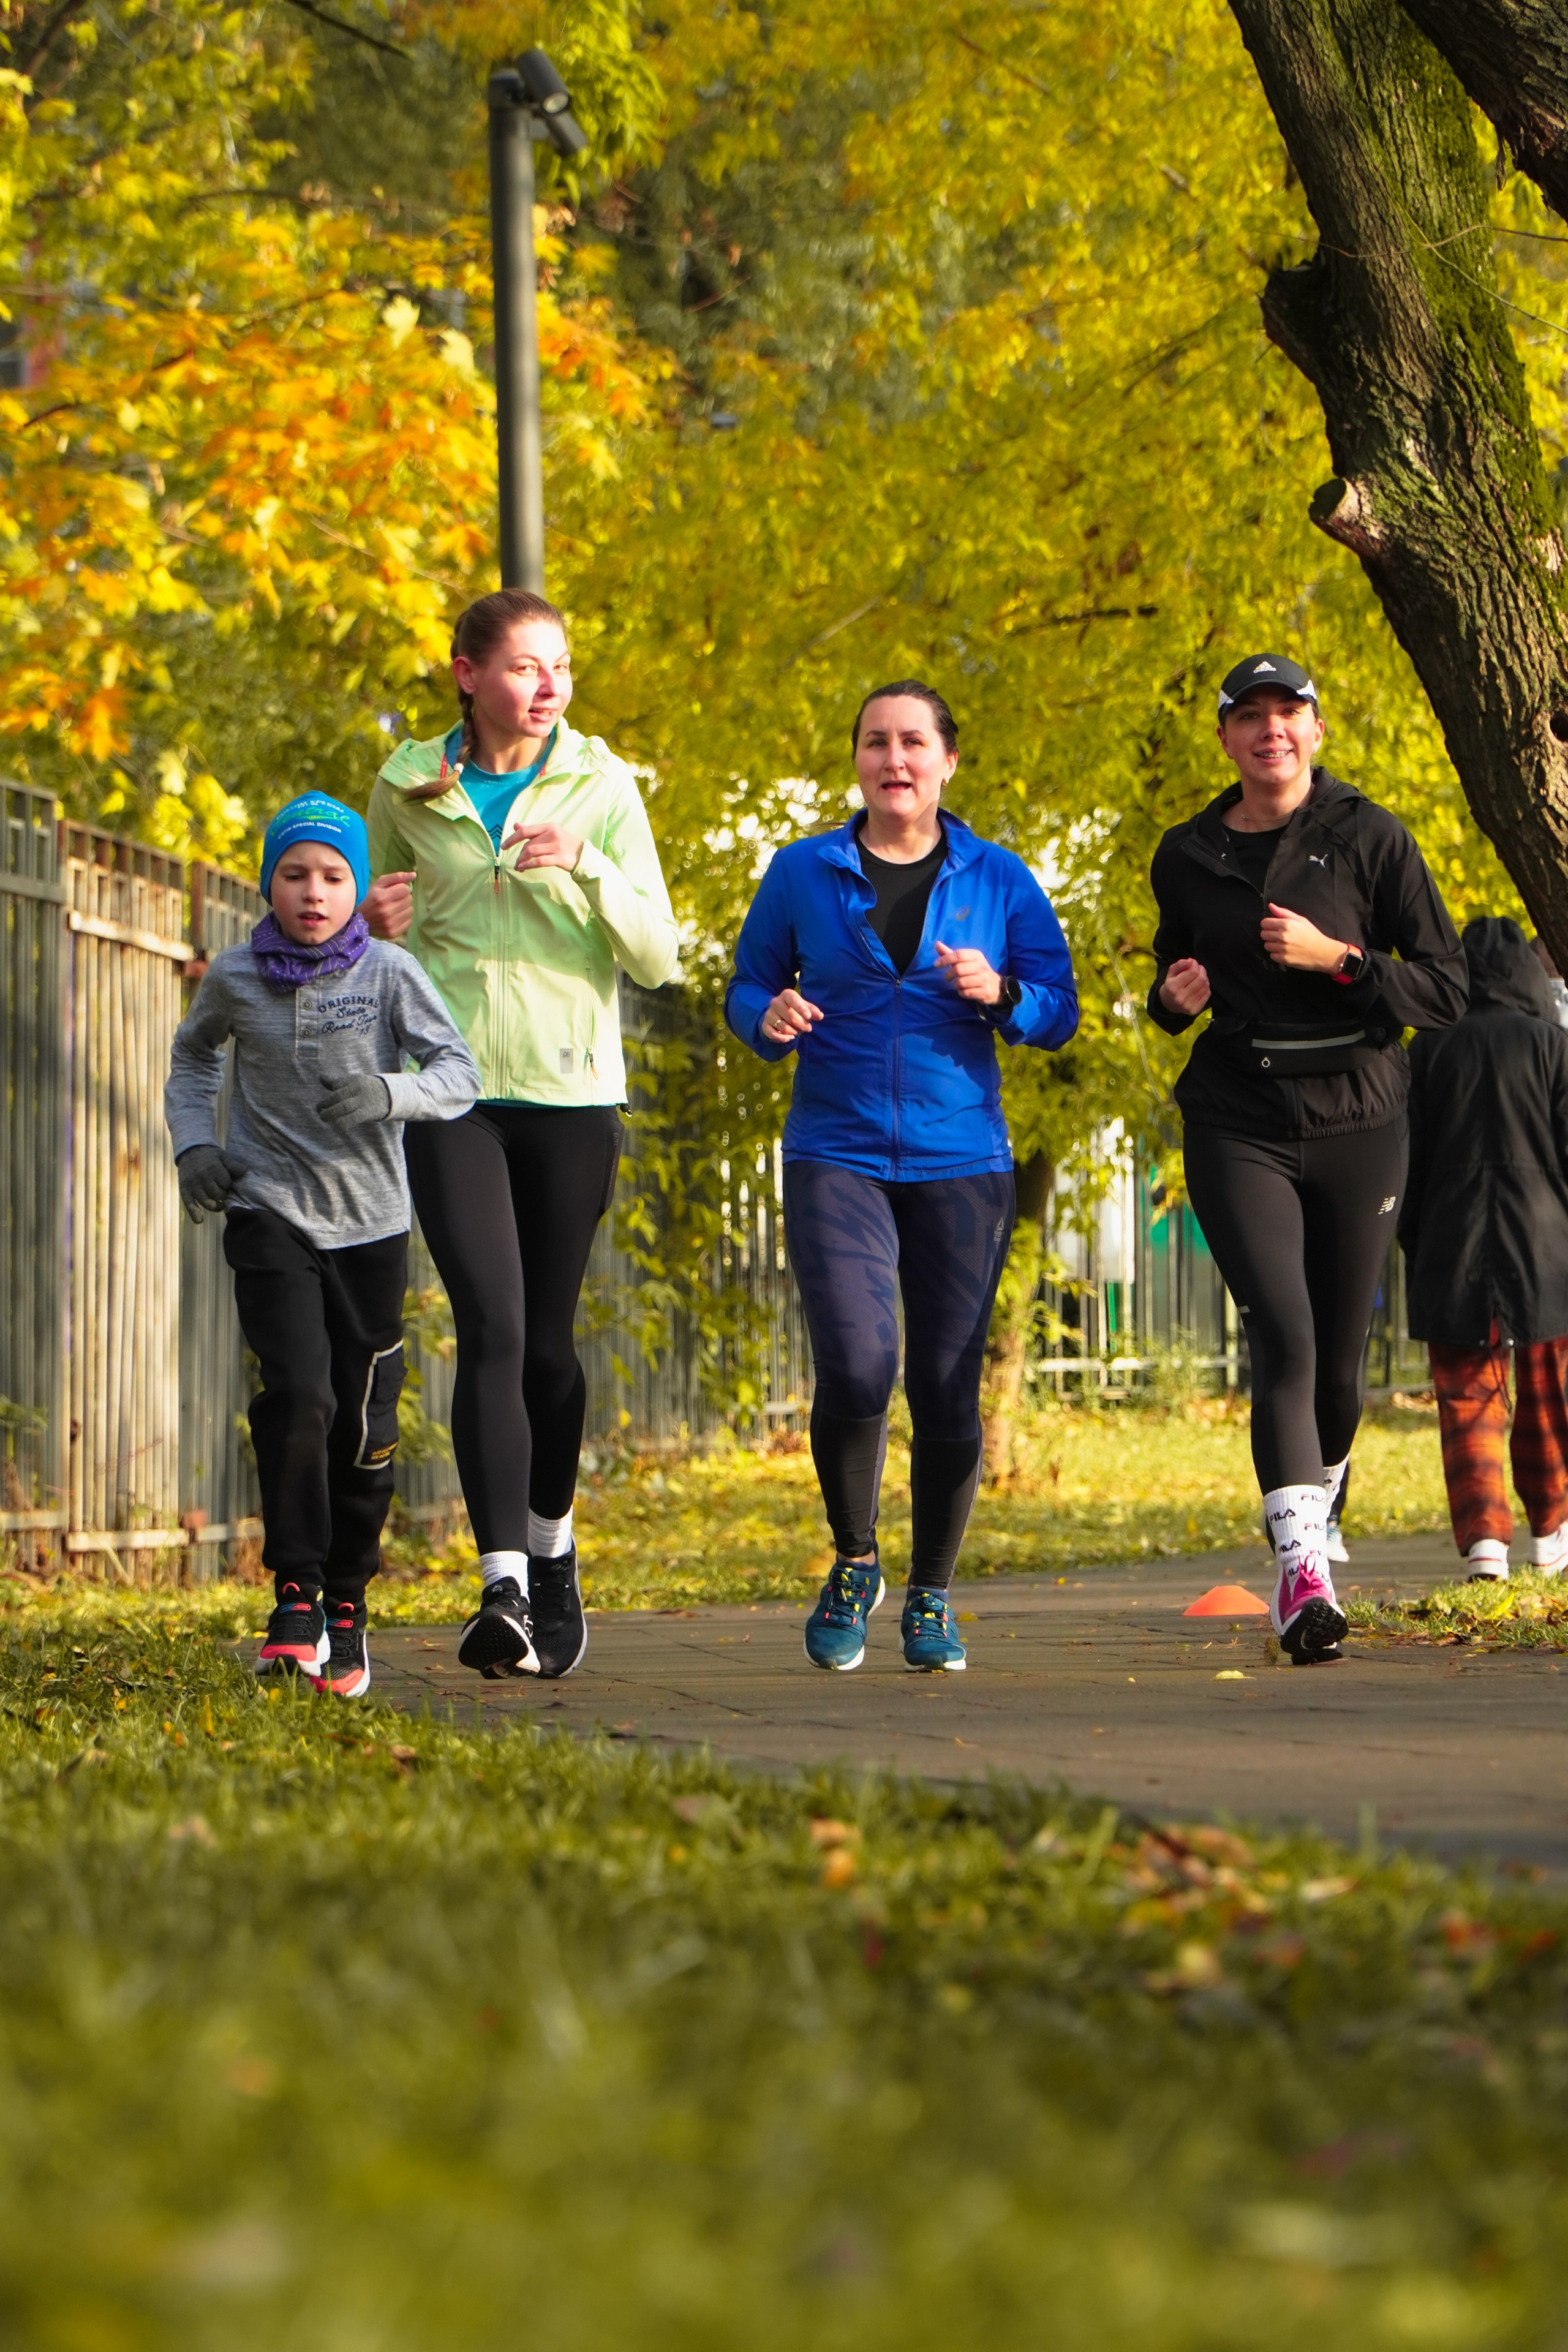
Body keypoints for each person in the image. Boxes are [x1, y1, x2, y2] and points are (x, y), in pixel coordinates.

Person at [726, 680, 1077, 1673]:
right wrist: (768, 1017)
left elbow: (1059, 1008)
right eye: (877, 742)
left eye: (914, 742)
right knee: (856, 1364)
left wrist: (1002, 992)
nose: (896, 759)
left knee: (945, 1385)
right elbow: (746, 983)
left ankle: (932, 1595)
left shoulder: (999, 878)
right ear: (859, 761)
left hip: (962, 1158)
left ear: (947, 761)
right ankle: (855, 1560)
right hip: (834, 1148)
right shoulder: (803, 873)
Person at [366, 588, 678, 1681]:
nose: (547, 687)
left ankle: (553, 1546)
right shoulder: (409, 783)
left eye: (561, 668)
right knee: (490, 1324)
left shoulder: (602, 784)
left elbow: (657, 954)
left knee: (548, 1346)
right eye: (524, 668)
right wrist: (371, 924)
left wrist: (585, 868)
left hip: (569, 1091)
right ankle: (500, 1585)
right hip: (448, 1092)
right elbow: (367, 939)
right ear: (466, 672)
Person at [1149, 654, 1466, 1664]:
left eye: (1289, 714)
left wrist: (1341, 961)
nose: (1270, 731)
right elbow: (1171, 972)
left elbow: (1448, 987)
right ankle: (1301, 1576)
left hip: (1361, 1118)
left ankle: (1322, 1514)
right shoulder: (1188, 851)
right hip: (1238, 1116)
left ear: (1316, 732)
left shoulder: (1371, 837)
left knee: (1338, 1363)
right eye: (1251, 716)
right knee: (1282, 1335)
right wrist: (1170, 1001)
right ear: (1227, 737)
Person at [165, 793, 480, 1696]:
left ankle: (348, 1600)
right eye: (295, 873)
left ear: (357, 888)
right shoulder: (234, 975)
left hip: (372, 1224)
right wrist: (196, 1144)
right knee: (298, 1394)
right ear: (270, 882)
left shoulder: (388, 973)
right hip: (269, 1210)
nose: (313, 891)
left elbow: (458, 1073)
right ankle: (295, 1595)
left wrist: (391, 1092)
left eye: (333, 876)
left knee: (361, 1417)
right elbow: (194, 1060)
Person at [1401, 916, 1568, 1580]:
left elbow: (1404, 1162)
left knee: (1466, 1395)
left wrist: (1413, 1241)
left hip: (1451, 1241)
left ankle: (1484, 1545)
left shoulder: (1428, 1049)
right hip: (1547, 1249)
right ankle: (1551, 1530)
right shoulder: (1555, 1048)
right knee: (1547, 1390)